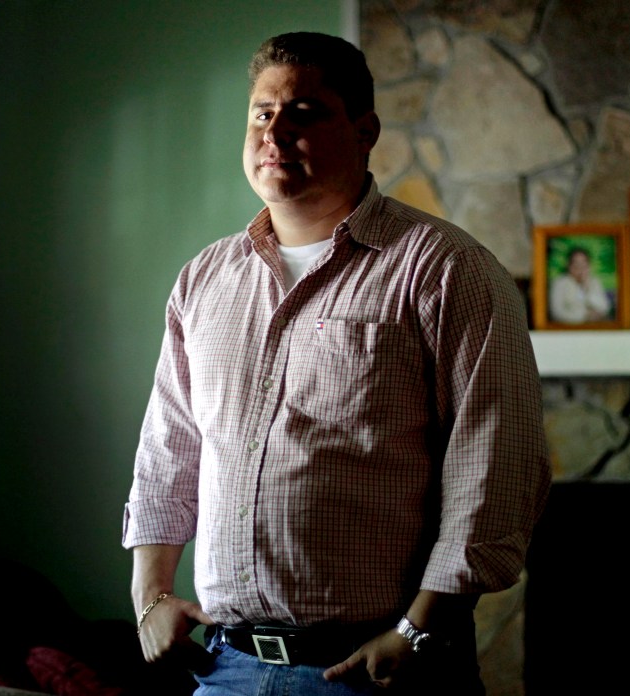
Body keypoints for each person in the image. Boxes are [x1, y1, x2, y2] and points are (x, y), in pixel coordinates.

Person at [122, 31, 551, 696]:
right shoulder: (204, 280)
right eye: (262, 113)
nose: (276, 131)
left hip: (376, 669)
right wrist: (150, 595)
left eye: (305, 112)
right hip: (223, 669)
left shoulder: (445, 270)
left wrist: (418, 631)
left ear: (364, 130)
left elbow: (494, 466)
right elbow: (168, 449)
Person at [548, 247, 612, 323]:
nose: (580, 266)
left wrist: (587, 288)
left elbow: (604, 308)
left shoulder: (594, 282)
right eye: (576, 263)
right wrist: (585, 315)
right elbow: (557, 313)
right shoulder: (560, 283)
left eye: (583, 263)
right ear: (569, 265)